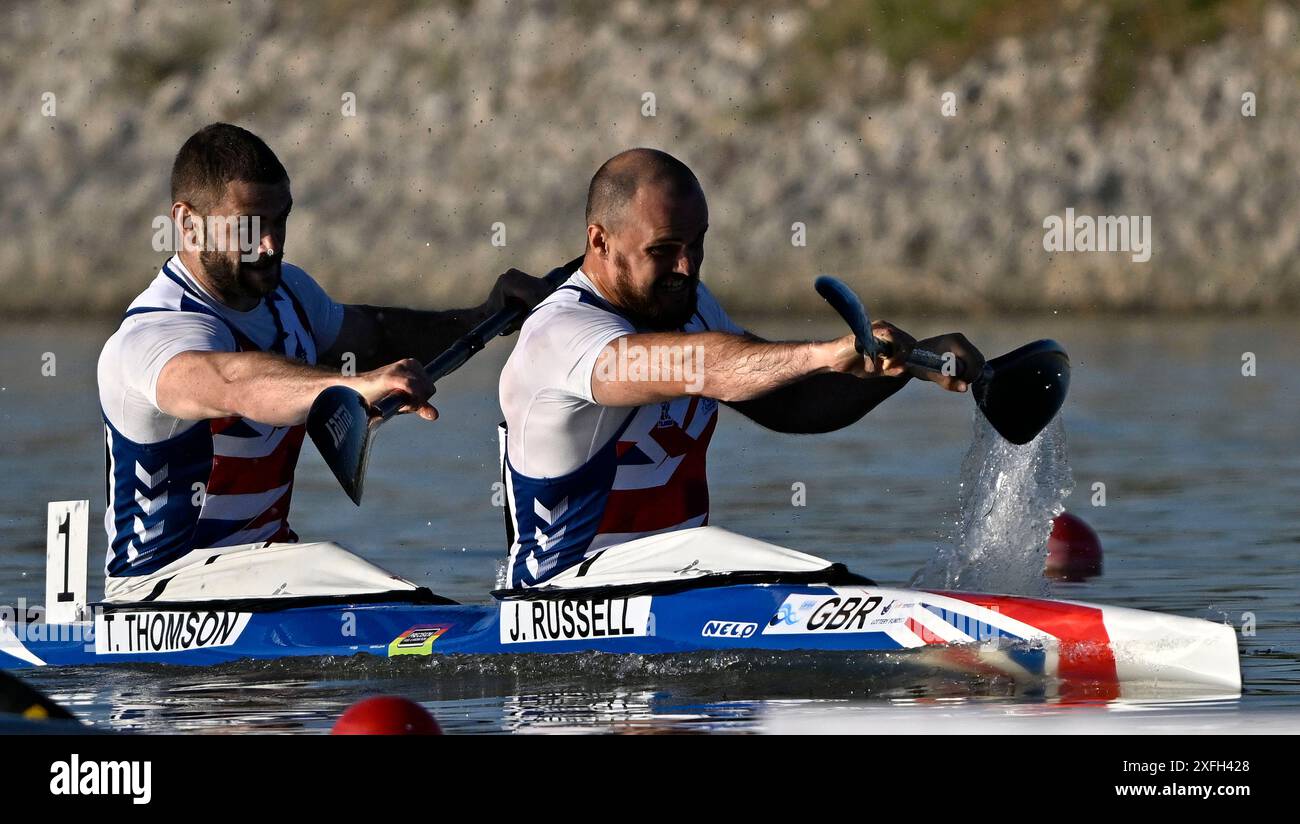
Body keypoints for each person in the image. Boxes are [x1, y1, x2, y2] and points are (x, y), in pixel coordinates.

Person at [98, 123, 550, 601]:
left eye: (280, 220)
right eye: (251, 225)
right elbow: (234, 383)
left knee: (343, 572)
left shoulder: (288, 294)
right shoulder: (155, 334)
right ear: (187, 223)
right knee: (340, 569)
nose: (271, 244)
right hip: (157, 592)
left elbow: (379, 334)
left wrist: (482, 316)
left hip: (264, 575)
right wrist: (353, 387)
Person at [498, 148, 984, 589]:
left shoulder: (689, 305)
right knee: (802, 574)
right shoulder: (559, 334)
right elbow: (700, 367)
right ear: (599, 241)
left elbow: (792, 404)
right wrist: (824, 353)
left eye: (697, 244)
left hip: (676, 580)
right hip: (563, 597)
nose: (687, 268)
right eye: (663, 250)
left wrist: (898, 370)